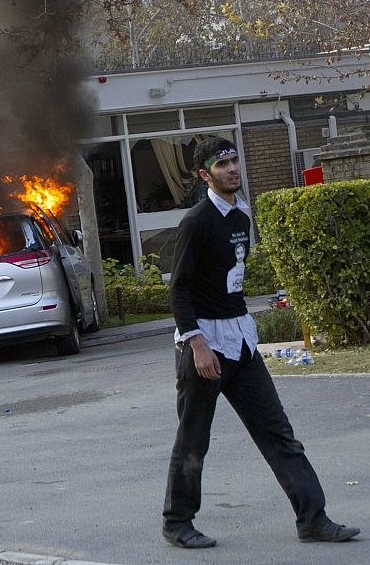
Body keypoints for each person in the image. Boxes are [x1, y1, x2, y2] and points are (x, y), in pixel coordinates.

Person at [162, 136, 361, 549]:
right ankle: (177, 522)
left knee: (278, 432)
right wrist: (197, 344)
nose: (233, 169)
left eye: (235, 161)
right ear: (205, 175)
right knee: (194, 438)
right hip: (204, 345)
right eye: (223, 165)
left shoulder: (240, 219)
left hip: (240, 342)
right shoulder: (196, 222)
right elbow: (179, 289)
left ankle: (313, 519)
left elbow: (229, 282)